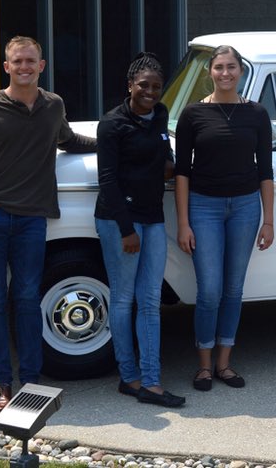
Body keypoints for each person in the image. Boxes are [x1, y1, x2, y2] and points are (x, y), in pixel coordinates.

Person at [0, 36, 96, 416]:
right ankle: (0, 383)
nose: (24, 66)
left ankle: (31, 380)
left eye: (31, 60)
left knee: (28, 299)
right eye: (17, 61)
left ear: (41, 66)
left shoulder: (53, 105)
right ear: (6, 66)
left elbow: (68, 139)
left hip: (32, 219)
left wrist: (110, 141)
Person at [174, 45, 275, 390]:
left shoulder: (258, 114)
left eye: (231, 67)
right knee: (209, 290)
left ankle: (224, 364)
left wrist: (269, 219)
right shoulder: (192, 114)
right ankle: (203, 365)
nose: (225, 73)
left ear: (241, 71)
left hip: (246, 207)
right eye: (219, 67)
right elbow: (182, 173)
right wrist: (184, 222)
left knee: (233, 289)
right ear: (210, 72)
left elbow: (266, 169)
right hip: (204, 207)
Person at [95, 53, 184, 408]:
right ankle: (129, 376)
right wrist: (126, 229)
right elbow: (108, 180)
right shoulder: (112, 124)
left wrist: (171, 167)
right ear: (129, 85)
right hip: (121, 223)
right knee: (122, 298)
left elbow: (164, 157)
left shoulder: (160, 115)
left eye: (156, 86)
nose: (149, 91)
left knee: (150, 301)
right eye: (143, 85)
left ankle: (151, 380)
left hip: (153, 217)